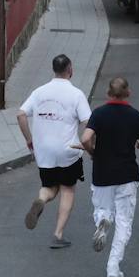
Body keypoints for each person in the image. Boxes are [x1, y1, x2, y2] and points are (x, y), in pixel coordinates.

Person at [80, 76, 139, 277]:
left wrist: (92, 151)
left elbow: (85, 138)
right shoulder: (135, 116)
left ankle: (103, 220)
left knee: (103, 209)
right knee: (124, 221)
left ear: (108, 94)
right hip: (127, 174)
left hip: (102, 173)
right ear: (128, 93)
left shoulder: (99, 114)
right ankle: (113, 266)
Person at [18, 54, 91, 248]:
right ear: (70, 70)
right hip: (68, 151)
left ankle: (41, 200)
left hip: (44, 151)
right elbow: (88, 122)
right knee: (67, 189)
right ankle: (58, 234)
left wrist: (29, 141)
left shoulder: (39, 92)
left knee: (50, 187)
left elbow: (21, 114)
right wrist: (87, 144)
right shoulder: (76, 94)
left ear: (53, 69)